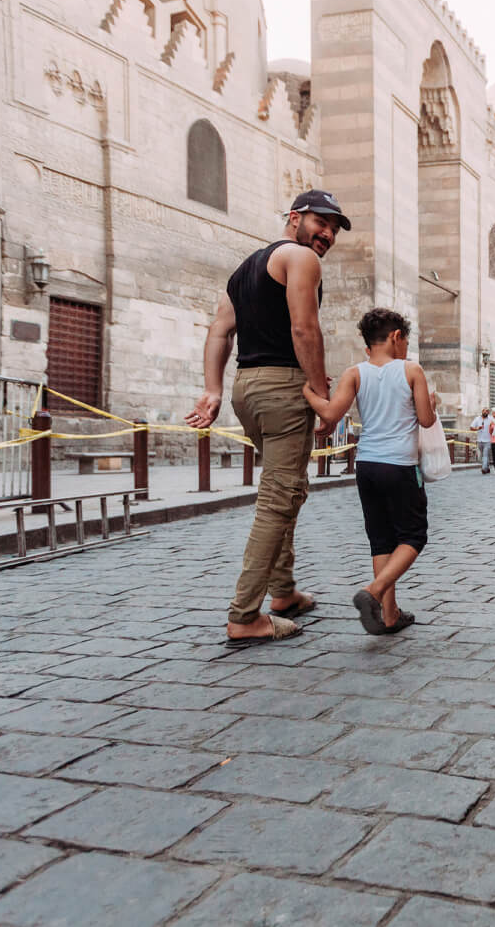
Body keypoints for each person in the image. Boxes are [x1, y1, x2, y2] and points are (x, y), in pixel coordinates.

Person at [187, 188, 349, 647]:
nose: (327, 234)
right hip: (283, 388)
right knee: (279, 496)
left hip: (248, 388)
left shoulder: (245, 269)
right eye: (321, 223)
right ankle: (244, 615)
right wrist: (322, 395)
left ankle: (284, 591)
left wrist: (213, 389)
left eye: (333, 229)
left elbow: (220, 330)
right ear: (295, 218)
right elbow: (305, 328)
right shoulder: (301, 258)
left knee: (285, 487)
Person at [303, 308, 433, 636]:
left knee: (381, 538)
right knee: (413, 536)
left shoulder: (354, 373)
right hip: (400, 465)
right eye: (406, 342)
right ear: (396, 337)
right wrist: (432, 402)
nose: (406, 348)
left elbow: (331, 413)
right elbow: (426, 419)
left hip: (367, 466)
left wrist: (307, 392)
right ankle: (372, 593)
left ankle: (389, 615)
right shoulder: (411, 370)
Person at [471, 407, 493, 474]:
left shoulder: (491, 419)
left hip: (488, 440)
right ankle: (487, 468)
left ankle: (483, 469)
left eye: (487, 411)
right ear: (482, 411)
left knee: (485, 455)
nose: (485, 412)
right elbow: (471, 427)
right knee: (484, 455)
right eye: (484, 411)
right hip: (479, 441)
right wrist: (478, 428)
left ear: (488, 413)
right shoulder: (477, 419)